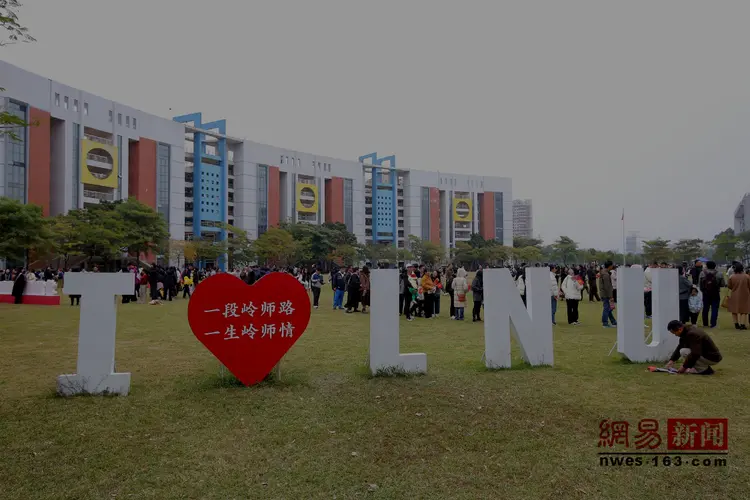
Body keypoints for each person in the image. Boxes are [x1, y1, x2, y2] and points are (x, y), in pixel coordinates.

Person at [698, 261, 724, 328]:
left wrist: (703, 290)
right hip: (715, 293)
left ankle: (705, 324)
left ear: (707, 266)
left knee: (705, 308)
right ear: (715, 266)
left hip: (706, 293)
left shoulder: (702, 273)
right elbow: (722, 284)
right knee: (714, 309)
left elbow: (700, 284)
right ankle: (713, 324)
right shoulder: (719, 274)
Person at [726, 263, 750, 330]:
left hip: (734, 294)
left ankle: (736, 324)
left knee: (734, 310)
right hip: (745, 295)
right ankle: (742, 324)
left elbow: (729, 286)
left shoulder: (731, 277)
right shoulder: (747, 276)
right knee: (744, 310)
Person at [599, 261, 617, 328]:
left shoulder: (604, 273)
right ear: (610, 266)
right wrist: (610, 296)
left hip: (604, 293)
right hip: (606, 294)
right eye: (612, 265)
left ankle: (613, 321)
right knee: (607, 308)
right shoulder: (606, 274)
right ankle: (605, 323)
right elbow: (607, 287)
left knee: (608, 308)